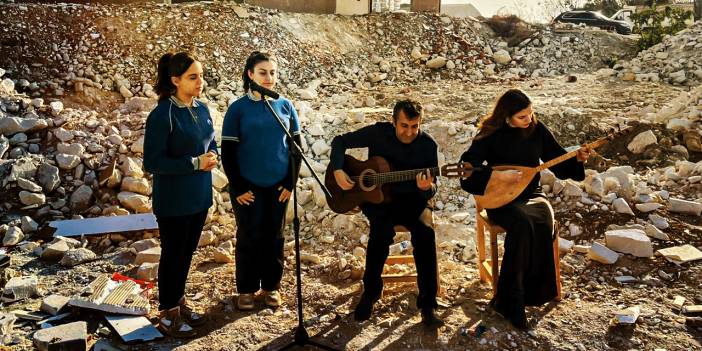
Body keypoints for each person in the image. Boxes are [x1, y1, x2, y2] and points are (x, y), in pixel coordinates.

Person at [459, 89, 591, 330]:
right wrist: (497, 174)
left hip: (532, 194)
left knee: (543, 218)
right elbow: (467, 168)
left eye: (531, 113)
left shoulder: (536, 129)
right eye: (522, 116)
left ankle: (529, 293)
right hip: (502, 200)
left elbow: (558, 158)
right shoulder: (491, 133)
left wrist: (578, 160)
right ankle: (511, 301)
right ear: (507, 117)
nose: (529, 119)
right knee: (522, 223)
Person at [329, 99, 443, 327]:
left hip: (414, 202)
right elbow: (340, 142)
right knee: (379, 234)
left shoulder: (427, 145)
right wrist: (339, 169)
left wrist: (426, 188)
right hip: (379, 202)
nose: (409, 132)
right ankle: (371, 293)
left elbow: (433, 186)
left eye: (414, 126)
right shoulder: (378, 133)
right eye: (404, 126)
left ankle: (428, 303)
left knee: (425, 234)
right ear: (393, 122)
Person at [143, 52, 218, 337]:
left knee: (186, 254)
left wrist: (213, 155)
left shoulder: (202, 109)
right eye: (193, 77)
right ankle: (166, 313)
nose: (201, 81)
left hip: (199, 197)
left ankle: (178, 302)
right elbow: (152, 162)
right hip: (174, 201)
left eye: (201, 75)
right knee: (173, 255)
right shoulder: (163, 115)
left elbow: (211, 143)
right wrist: (195, 163)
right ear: (175, 80)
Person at [221, 51, 302, 311]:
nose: (269, 78)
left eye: (273, 72)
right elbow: (229, 153)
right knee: (249, 236)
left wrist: (290, 183)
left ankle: (271, 287)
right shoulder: (238, 109)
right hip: (247, 187)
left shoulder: (285, 106)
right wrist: (238, 187)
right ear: (250, 75)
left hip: (278, 186)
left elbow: (296, 148)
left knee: (274, 237)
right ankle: (246, 289)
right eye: (263, 72)